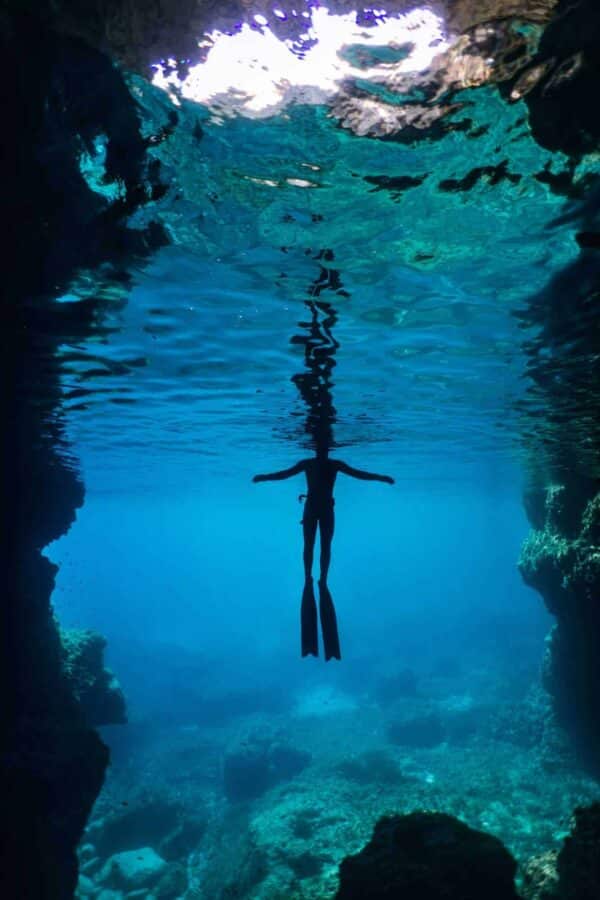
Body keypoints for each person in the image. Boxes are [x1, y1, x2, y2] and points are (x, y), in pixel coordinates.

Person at [253, 446, 394, 661]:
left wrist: (380, 478)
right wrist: (264, 478)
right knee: (313, 546)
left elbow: (359, 474)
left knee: (321, 546)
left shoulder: (323, 464)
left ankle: (318, 579)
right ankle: (313, 578)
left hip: (321, 509)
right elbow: (284, 474)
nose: (321, 449)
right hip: (318, 509)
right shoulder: (316, 464)